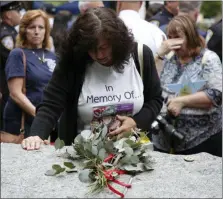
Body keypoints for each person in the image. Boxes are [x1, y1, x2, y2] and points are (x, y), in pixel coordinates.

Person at [21, 7, 163, 150]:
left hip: (133, 152)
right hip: (83, 154)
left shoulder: (140, 55)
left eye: (104, 47)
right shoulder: (73, 62)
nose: (99, 55)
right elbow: (51, 104)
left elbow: (155, 99)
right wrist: (37, 135)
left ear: (117, 41)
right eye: (91, 49)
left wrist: (136, 122)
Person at [152, 15, 222, 157]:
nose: (173, 42)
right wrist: (159, 55)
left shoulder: (208, 59)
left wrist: (182, 101)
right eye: (170, 37)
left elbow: (216, 95)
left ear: (190, 36)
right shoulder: (169, 58)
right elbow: (151, 85)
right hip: (165, 141)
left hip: (201, 142)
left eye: (177, 37)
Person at [3, 10, 57, 138]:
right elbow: (15, 94)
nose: (37, 31)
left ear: (46, 31)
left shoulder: (53, 56)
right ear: (24, 31)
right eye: (32, 27)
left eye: (41, 27)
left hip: (46, 122)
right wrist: (40, 117)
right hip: (21, 122)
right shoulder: (18, 54)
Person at [0, 1, 22, 130]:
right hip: (5, 85)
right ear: (8, 14)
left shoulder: (11, 32)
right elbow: (9, 61)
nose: (20, 15)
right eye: (17, 11)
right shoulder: (6, 35)